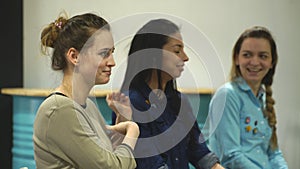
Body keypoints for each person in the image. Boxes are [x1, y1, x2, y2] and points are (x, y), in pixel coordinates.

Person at [112, 19, 224, 169]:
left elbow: (200, 153)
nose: (185, 57)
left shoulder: (181, 101)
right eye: (177, 51)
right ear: (153, 54)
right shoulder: (130, 103)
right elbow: (150, 164)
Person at [33, 11, 139, 169]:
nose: (112, 62)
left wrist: (121, 123)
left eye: (112, 53)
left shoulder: (87, 106)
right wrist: (132, 131)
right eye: (104, 53)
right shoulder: (59, 110)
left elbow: (104, 155)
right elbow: (113, 167)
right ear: (75, 56)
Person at [207, 26, 289, 168]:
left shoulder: (263, 99)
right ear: (236, 58)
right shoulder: (227, 95)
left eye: (263, 56)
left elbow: (274, 154)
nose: (255, 62)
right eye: (247, 55)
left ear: (272, 63)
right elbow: (231, 156)